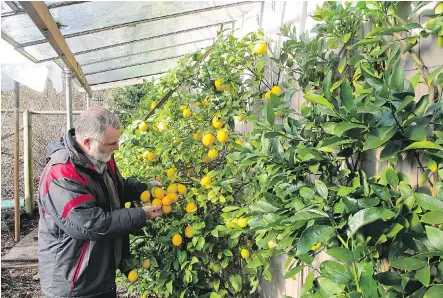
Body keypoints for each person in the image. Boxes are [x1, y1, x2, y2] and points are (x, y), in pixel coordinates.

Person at [37, 108, 162, 298]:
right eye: (112, 143)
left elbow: (112, 190)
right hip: (74, 283)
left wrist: (143, 189)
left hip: (98, 272)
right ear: (87, 142)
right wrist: (141, 214)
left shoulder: (100, 156)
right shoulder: (62, 173)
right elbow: (89, 224)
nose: (117, 147)